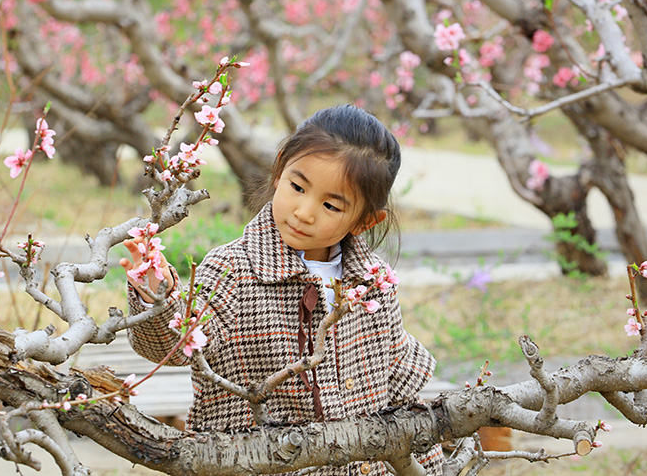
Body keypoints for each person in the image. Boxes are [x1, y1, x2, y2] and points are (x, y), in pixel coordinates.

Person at [121, 105, 442, 476]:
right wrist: (156, 298)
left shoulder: (374, 284)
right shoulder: (234, 272)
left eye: (330, 205)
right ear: (279, 171)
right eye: (297, 187)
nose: (304, 211)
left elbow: (403, 397)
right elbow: (171, 347)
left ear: (366, 221)